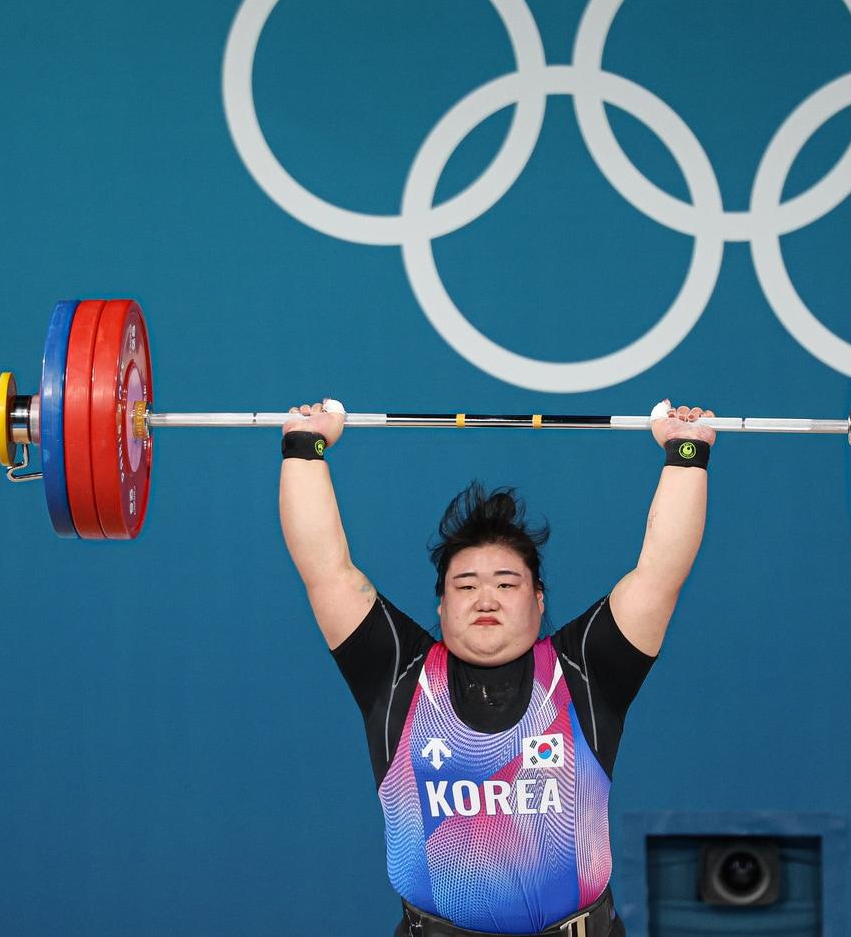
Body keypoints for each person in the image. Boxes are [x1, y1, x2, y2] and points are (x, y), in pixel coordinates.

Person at [277, 398, 715, 937]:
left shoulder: (584, 671)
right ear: (440, 606)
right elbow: (326, 569)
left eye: (506, 584)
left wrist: (685, 453)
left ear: (539, 599)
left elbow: (659, 573)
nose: (486, 599)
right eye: (465, 585)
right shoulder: (399, 673)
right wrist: (304, 445)